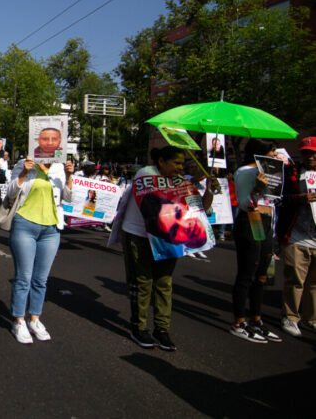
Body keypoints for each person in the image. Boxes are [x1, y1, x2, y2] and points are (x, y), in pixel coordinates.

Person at [119, 146, 215, 352]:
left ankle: (161, 329)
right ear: (161, 162)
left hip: (168, 238)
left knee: (164, 283)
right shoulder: (146, 174)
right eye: (177, 163)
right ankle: (139, 327)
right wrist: (185, 183)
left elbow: (200, 208)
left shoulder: (182, 182)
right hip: (139, 236)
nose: (181, 167)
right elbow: (159, 202)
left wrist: (209, 191)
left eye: (183, 164)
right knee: (142, 282)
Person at [6, 155, 73, 344]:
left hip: (51, 229)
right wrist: (25, 172)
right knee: (23, 277)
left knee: (41, 279)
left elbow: (68, 197)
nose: (49, 144)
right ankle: (18, 320)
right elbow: (11, 193)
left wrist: (69, 176)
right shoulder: (23, 163)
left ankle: (35, 318)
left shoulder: (59, 167)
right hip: (24, 225)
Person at [229, 139, 282, 344]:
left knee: (262, 275)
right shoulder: (245, 172)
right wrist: (258, 188)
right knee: (248, 273)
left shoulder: (273, 173)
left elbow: (273, 202)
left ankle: (256, 320)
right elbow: (245, 204)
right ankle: (239, 322)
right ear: (260, 153)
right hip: (252, 220)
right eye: (273, 152)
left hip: (267, 222)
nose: (276, 156)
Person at [276, 137, 316, 337]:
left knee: (314, 283)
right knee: (295, 279)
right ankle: (290, 317)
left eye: (314, 153)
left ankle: (312, 317)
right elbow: (277, 199)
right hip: (296, 236)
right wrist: (297, 198)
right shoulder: (290, 173)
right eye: (307, 153)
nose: (310, 157)